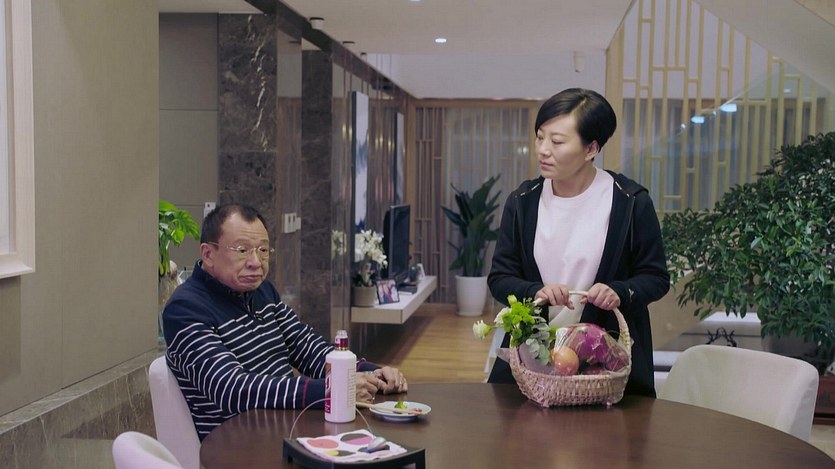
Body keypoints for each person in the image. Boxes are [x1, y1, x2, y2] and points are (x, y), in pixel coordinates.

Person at [162, 204, 408, 440]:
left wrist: (370, 372)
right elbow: (232, 390)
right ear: (208, 254)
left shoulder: (262, 292)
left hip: (287, 426)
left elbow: (308, 349)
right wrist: (329, 390)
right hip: (237, 444)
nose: (256, 262)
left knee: (385, 438)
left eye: (263, 250)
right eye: (242, 250)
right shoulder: (185, 309)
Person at [486, 88, 669, 397]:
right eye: (540, 137)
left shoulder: (629, 202)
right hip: (532, 363)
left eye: (557, 142)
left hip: (605, 366)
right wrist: (535, 292)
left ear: (591, 149)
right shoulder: (523, 202)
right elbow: (500, 278)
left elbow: (656, 277)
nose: (543, 150)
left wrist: (619, 291)